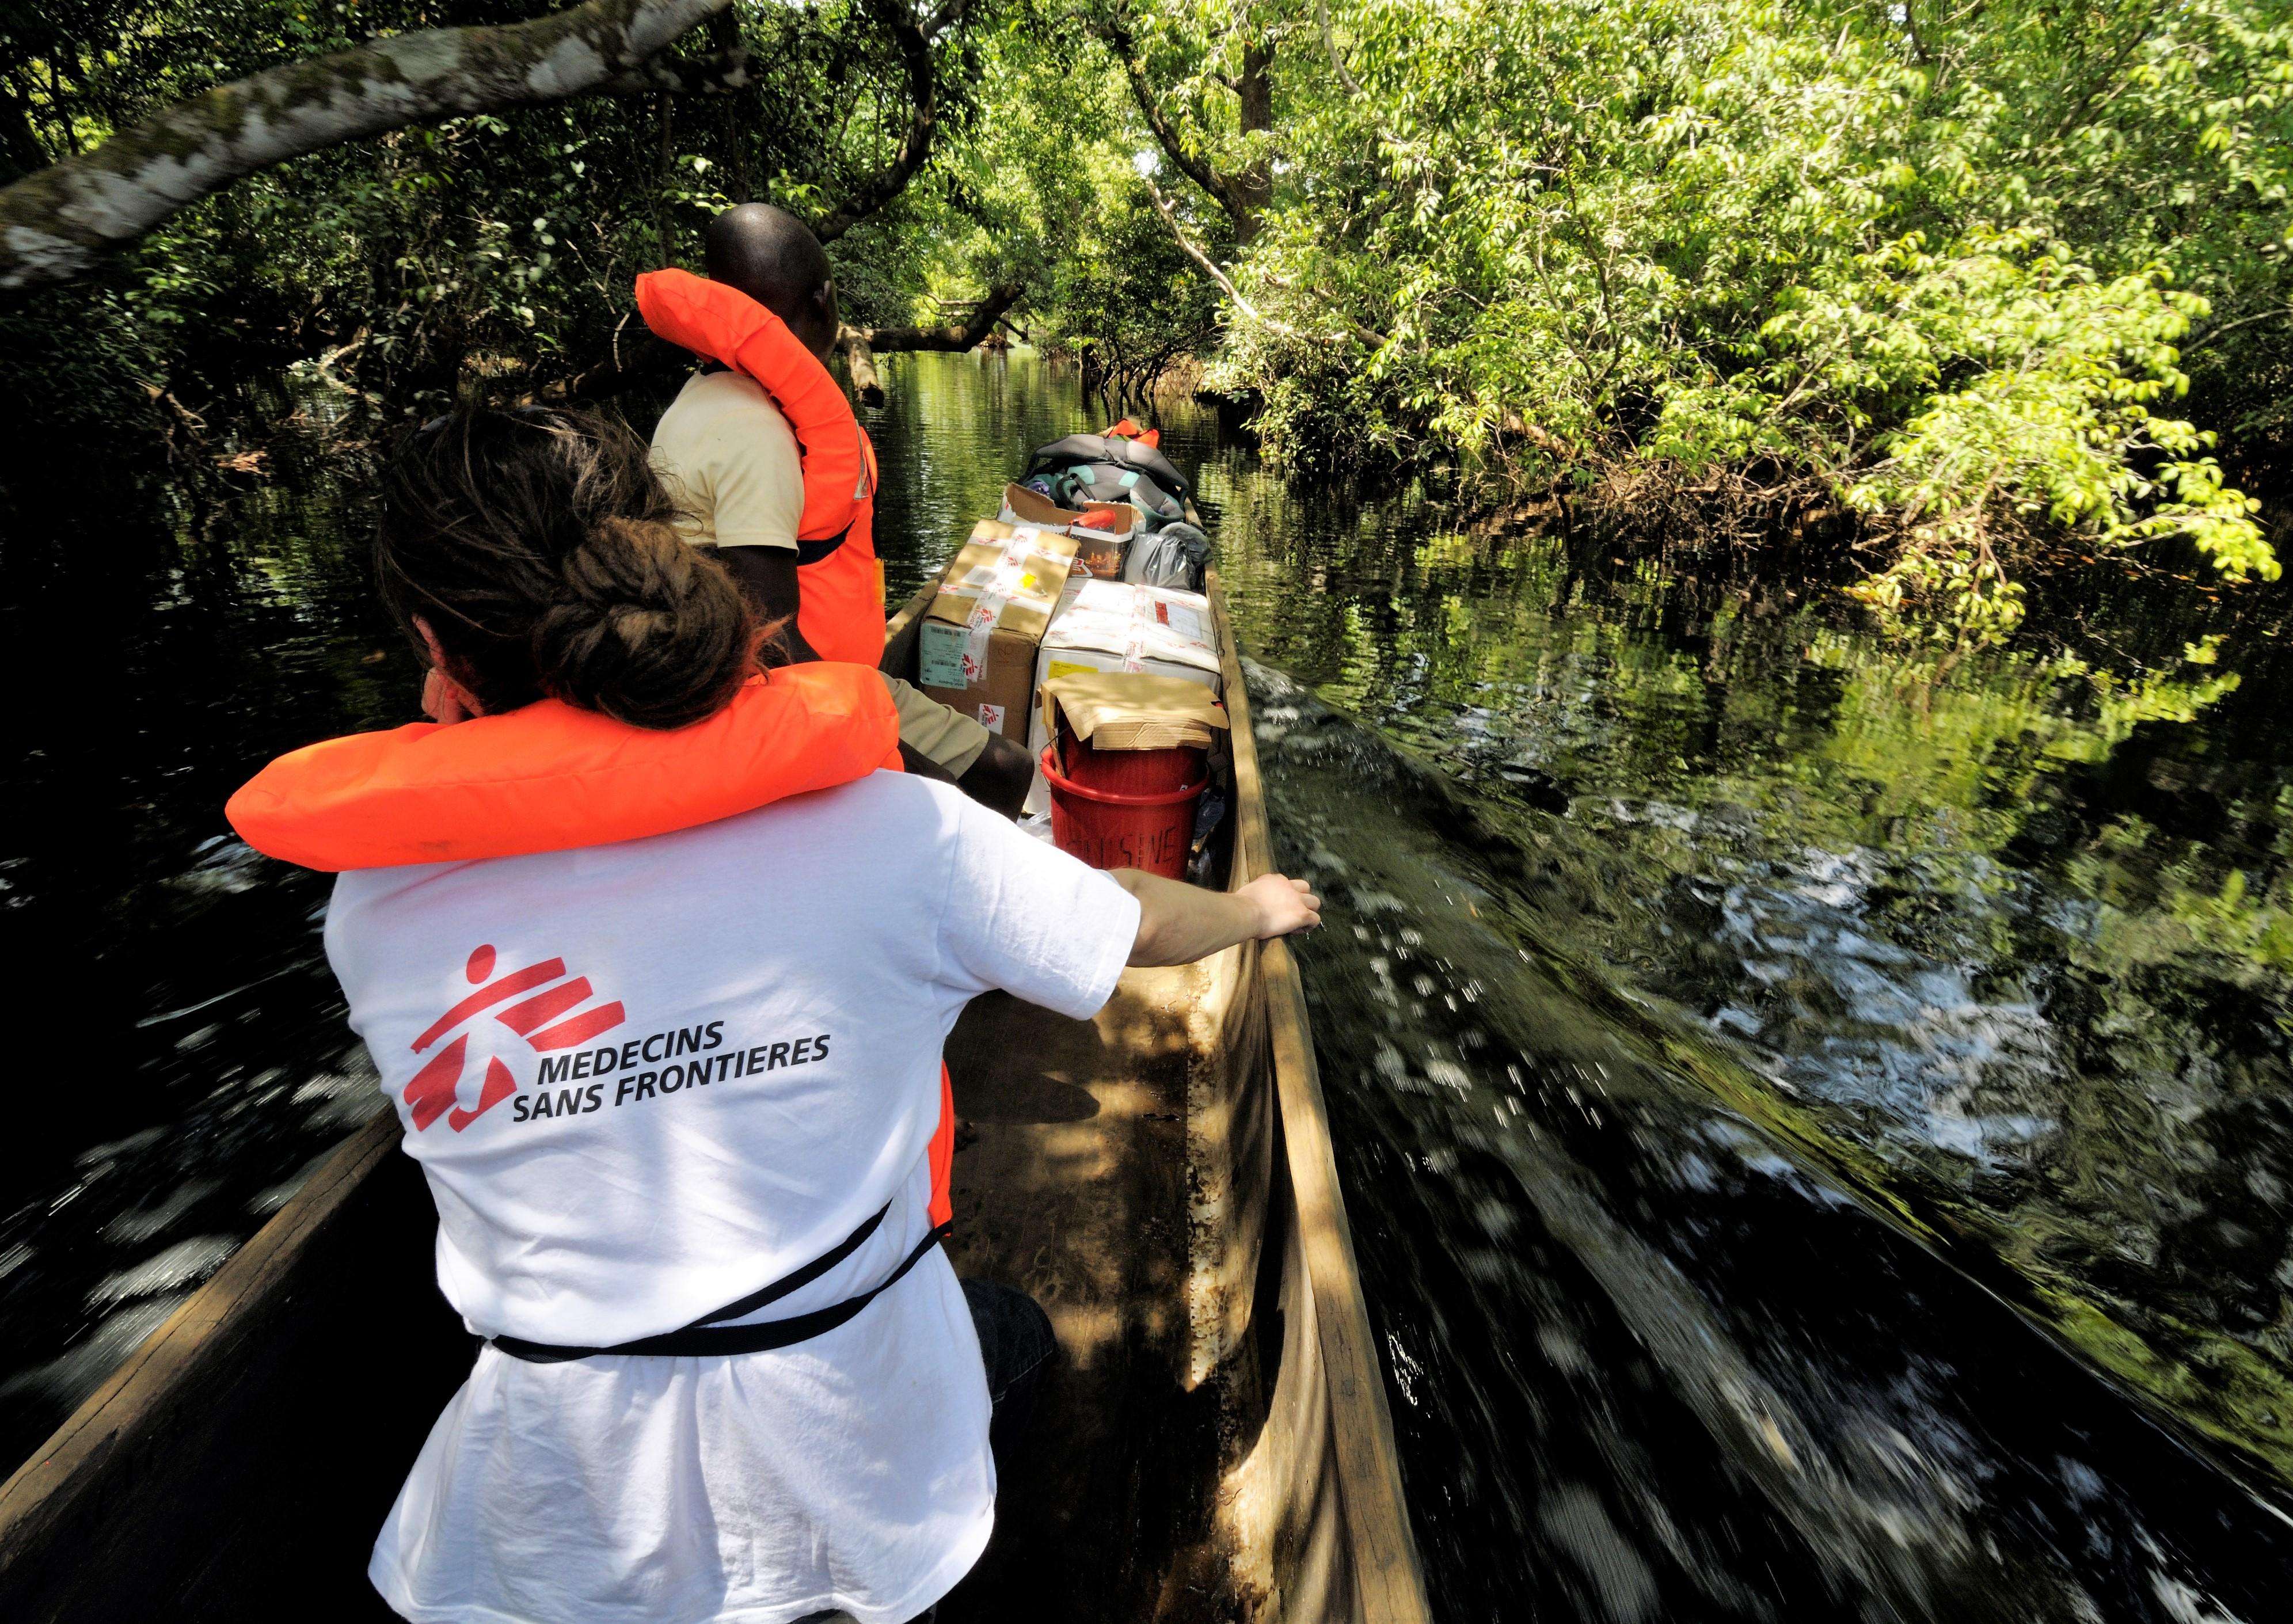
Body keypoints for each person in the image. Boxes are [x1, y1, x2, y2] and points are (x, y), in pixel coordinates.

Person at [224, 405, 1321, 1624]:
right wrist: (1253, 908)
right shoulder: (899, 833)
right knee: (1013, 1329)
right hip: (860, 1450)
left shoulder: (374, 912)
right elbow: (1125, 921)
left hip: (558, 1504)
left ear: (435, 645)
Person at [647, 202, 1035, 815]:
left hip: (737, 674)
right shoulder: (753, 432)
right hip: (770, 691)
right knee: (1006, 771)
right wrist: (913, 774)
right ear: (823, 301)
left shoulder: (702, 400)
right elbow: (767, 639)